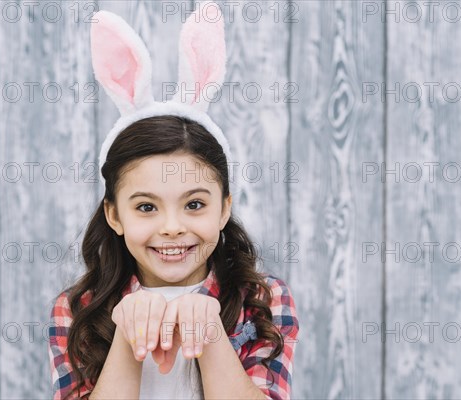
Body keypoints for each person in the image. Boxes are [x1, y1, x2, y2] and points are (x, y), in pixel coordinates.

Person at [47, 2, 299, 400]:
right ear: (114, 214)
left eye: (194, 204)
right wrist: (128, 341)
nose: (171, 226)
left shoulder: (263, 300)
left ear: (225, 207)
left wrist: (212, 333)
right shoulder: (80, 308)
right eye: (146, 207)